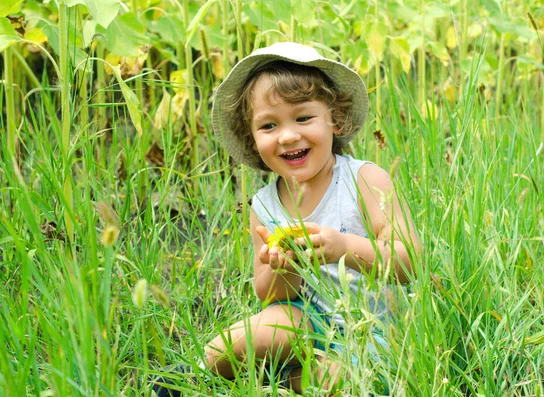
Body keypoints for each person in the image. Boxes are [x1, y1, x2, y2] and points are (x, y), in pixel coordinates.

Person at [152, 42, 421, 396]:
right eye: (268, 125)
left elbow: (410, 260)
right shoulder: (264, 205)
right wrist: (284, 267)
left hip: (374, 329)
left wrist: (343, 247)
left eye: (303, 118)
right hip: (307, 319)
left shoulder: (365, 181)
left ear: (335, 119)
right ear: (252, 137)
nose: (288, 135)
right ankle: (193, 376)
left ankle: (281, 380)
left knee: (347, 383)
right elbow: (268, 294)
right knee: (231, 344)